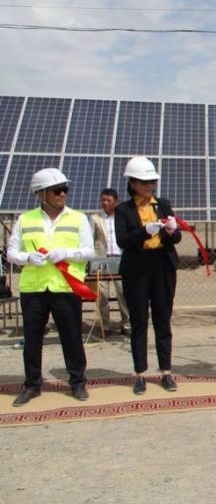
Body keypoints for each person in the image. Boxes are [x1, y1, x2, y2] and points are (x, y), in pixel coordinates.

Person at [7, 168, 94, 406]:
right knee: (32, 340)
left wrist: (66, 253)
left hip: (65, 288)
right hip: (34, 289)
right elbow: (11, 252)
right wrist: (27, 258)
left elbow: (89, 251)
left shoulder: (78, 218)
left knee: (72, 337)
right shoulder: (25, 220)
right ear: (40, 193)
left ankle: (77, 382)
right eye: (57, 190)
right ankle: (32, 385)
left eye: (65, 189)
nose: (63, 194)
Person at [115, 157, 182, 395]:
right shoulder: (123, 210)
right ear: (132, 183)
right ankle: (140, 373)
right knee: (139, 321)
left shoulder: (162, 205)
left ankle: (166, 371)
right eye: (144, 182)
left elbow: (176, 238)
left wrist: (172, 231)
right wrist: (144, 231)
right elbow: (122, 240)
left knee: (163, 320)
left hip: (162, 266)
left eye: (152, 182)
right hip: (137, 269)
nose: (149, 186)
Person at [89, 188, 130, 336]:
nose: (105, 203)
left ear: (116, 202)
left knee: (123, 293)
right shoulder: (95, 218)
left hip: (119, 259)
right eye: (103, 200)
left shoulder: (122, 218)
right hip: (101, 260)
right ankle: (105, 326)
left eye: (108, 200)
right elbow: (90, 239)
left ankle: (126, 324)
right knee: (102, 295)